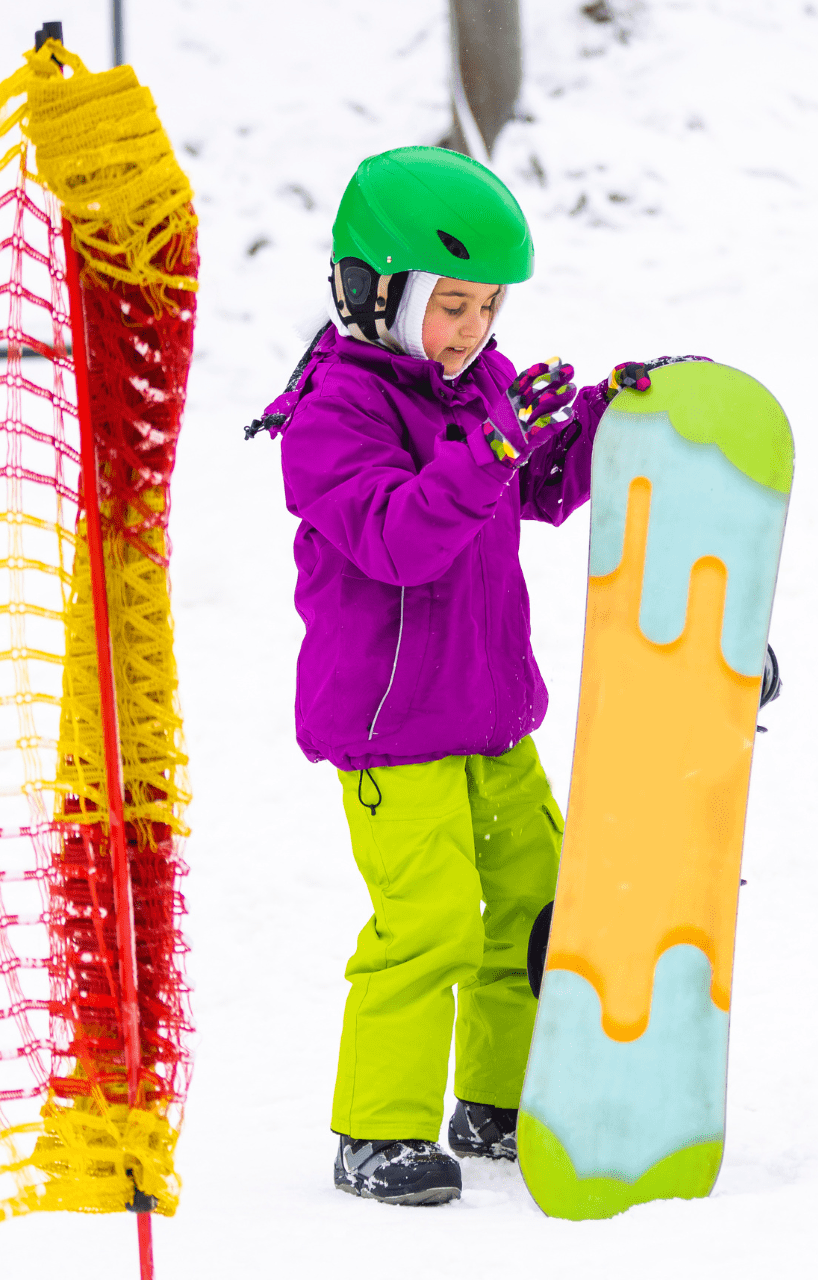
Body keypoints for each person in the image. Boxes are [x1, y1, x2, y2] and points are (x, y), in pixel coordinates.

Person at [252, 146, 629, 1206]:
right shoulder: (331, 415)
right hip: (389, 726)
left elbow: (531, 490)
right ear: (373, 291)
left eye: (487, 309)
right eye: (450, 305)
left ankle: (496, 1102)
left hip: (487, 711)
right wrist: (489, 451)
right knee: (430, 923)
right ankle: (376, 1131)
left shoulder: (481, 387)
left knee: (532, 902)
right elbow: (396, 540)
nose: (471, 332)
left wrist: (598, 422)